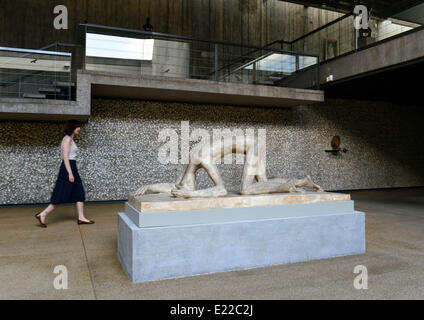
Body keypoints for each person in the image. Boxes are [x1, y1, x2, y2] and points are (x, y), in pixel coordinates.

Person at [35, 120, 94, 227]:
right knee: (61, 194)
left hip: (72, 167)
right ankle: (43, 214)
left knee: (79, 192)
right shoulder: (67, 139)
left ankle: (81, 218)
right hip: (68, 168)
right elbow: (65, 157)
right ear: (72, 128)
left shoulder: (71, 139)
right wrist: (70, 173)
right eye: (78, 127)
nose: (79, 129)